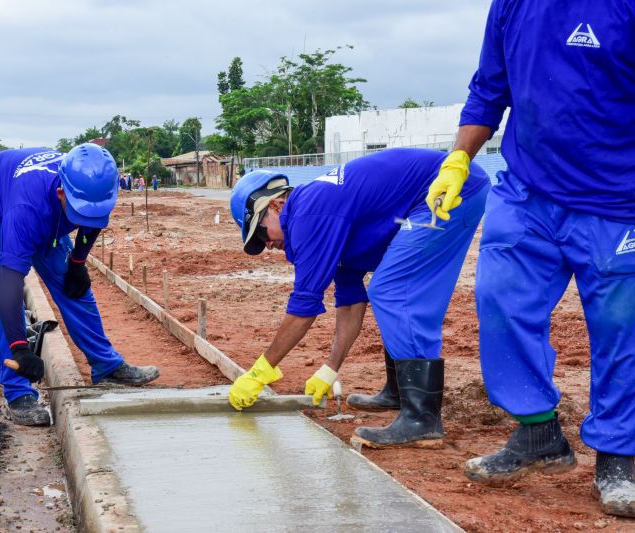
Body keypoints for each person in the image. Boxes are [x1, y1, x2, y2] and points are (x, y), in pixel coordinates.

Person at [428, 1, 635, 517]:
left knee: (621, 329)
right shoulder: (513, 4)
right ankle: (539, 431)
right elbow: (488, 88)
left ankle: (618, 456)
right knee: (499, 298)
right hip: (527, 191)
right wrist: (459, 157)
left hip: (617, 202)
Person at [228, 148, 490, 449]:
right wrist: (330, 369)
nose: (268, 246)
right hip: (441, 190)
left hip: (452, 188)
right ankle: (399, 392)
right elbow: (350, 300)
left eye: (260, 235)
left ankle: (422, 419)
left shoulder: (309, 215)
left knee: (392, 289)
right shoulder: (318, 215)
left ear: (275, 205)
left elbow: (304, 305)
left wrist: (260, 372)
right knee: (384, 289)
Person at [0, 144, 159, 426]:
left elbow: (92, 224)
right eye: (80, 212)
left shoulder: (91, 187)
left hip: (46, 212)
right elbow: (11, 284)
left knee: (74, 286)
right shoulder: (25, 211)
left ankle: (107, 365)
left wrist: (78, 263)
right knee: (2, 290)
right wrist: (21, 347)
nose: (88, 219)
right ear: (61, 194)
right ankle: (18, 392)